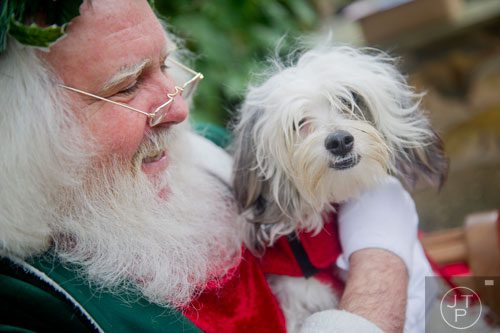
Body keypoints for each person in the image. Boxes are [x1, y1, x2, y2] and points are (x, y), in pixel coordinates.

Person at [0, 1, 433, 332]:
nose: (179, 110)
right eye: (128, 85)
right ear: (26, 130)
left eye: (166, 66)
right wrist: (381, 259)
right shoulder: (25, 308)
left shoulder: (212, 153)